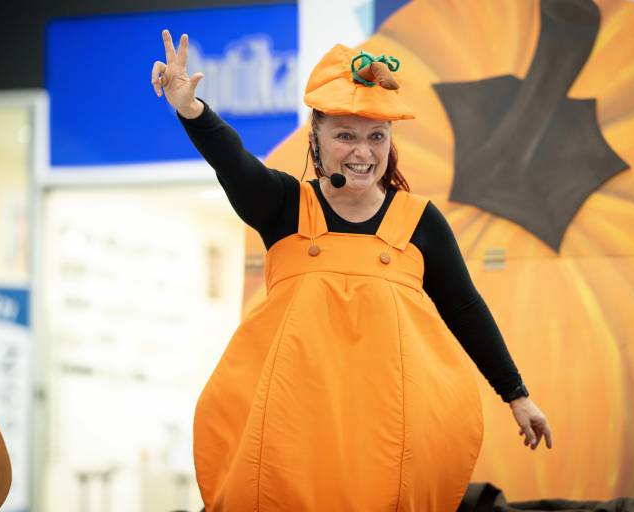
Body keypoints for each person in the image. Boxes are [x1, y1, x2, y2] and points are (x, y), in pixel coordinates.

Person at [152, 29, 552, 511]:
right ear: (316, 139)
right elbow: (233, 162)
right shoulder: (284, 206)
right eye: (345, 135)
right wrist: (192, 110)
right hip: (294, 439)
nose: (363, 152)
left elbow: (465, 308)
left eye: (376, 136)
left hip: (385, 442)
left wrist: (516, 394)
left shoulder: (419, 221)